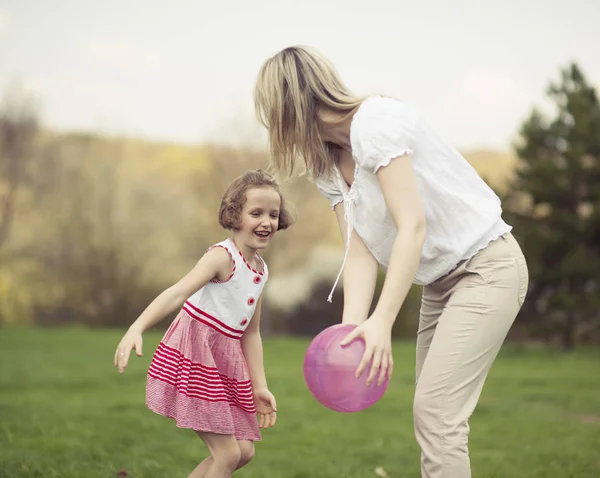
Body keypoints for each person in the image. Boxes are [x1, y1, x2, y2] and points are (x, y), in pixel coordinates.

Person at [253, 46, 529, 478]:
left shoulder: (376, 124)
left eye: (271, 114)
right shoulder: (327, 163)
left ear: (289, 105)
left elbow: (412, 227)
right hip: (440, 283)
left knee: (437, 414)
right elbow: (359, 251)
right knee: (435, 418)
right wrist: (351, 330)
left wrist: (382, 321)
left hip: (487, 268)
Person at [114, 169, 293, 478]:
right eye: (256, 213)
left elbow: (251, 333)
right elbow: (177, 292)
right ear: (235, 215)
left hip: (225, 362)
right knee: (227, 454)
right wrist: (137, 327)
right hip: (196, 355)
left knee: (244, 451)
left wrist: (259, 386)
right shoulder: (222, 257)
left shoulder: (260, 271)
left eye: (273, 214)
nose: (266, 221)